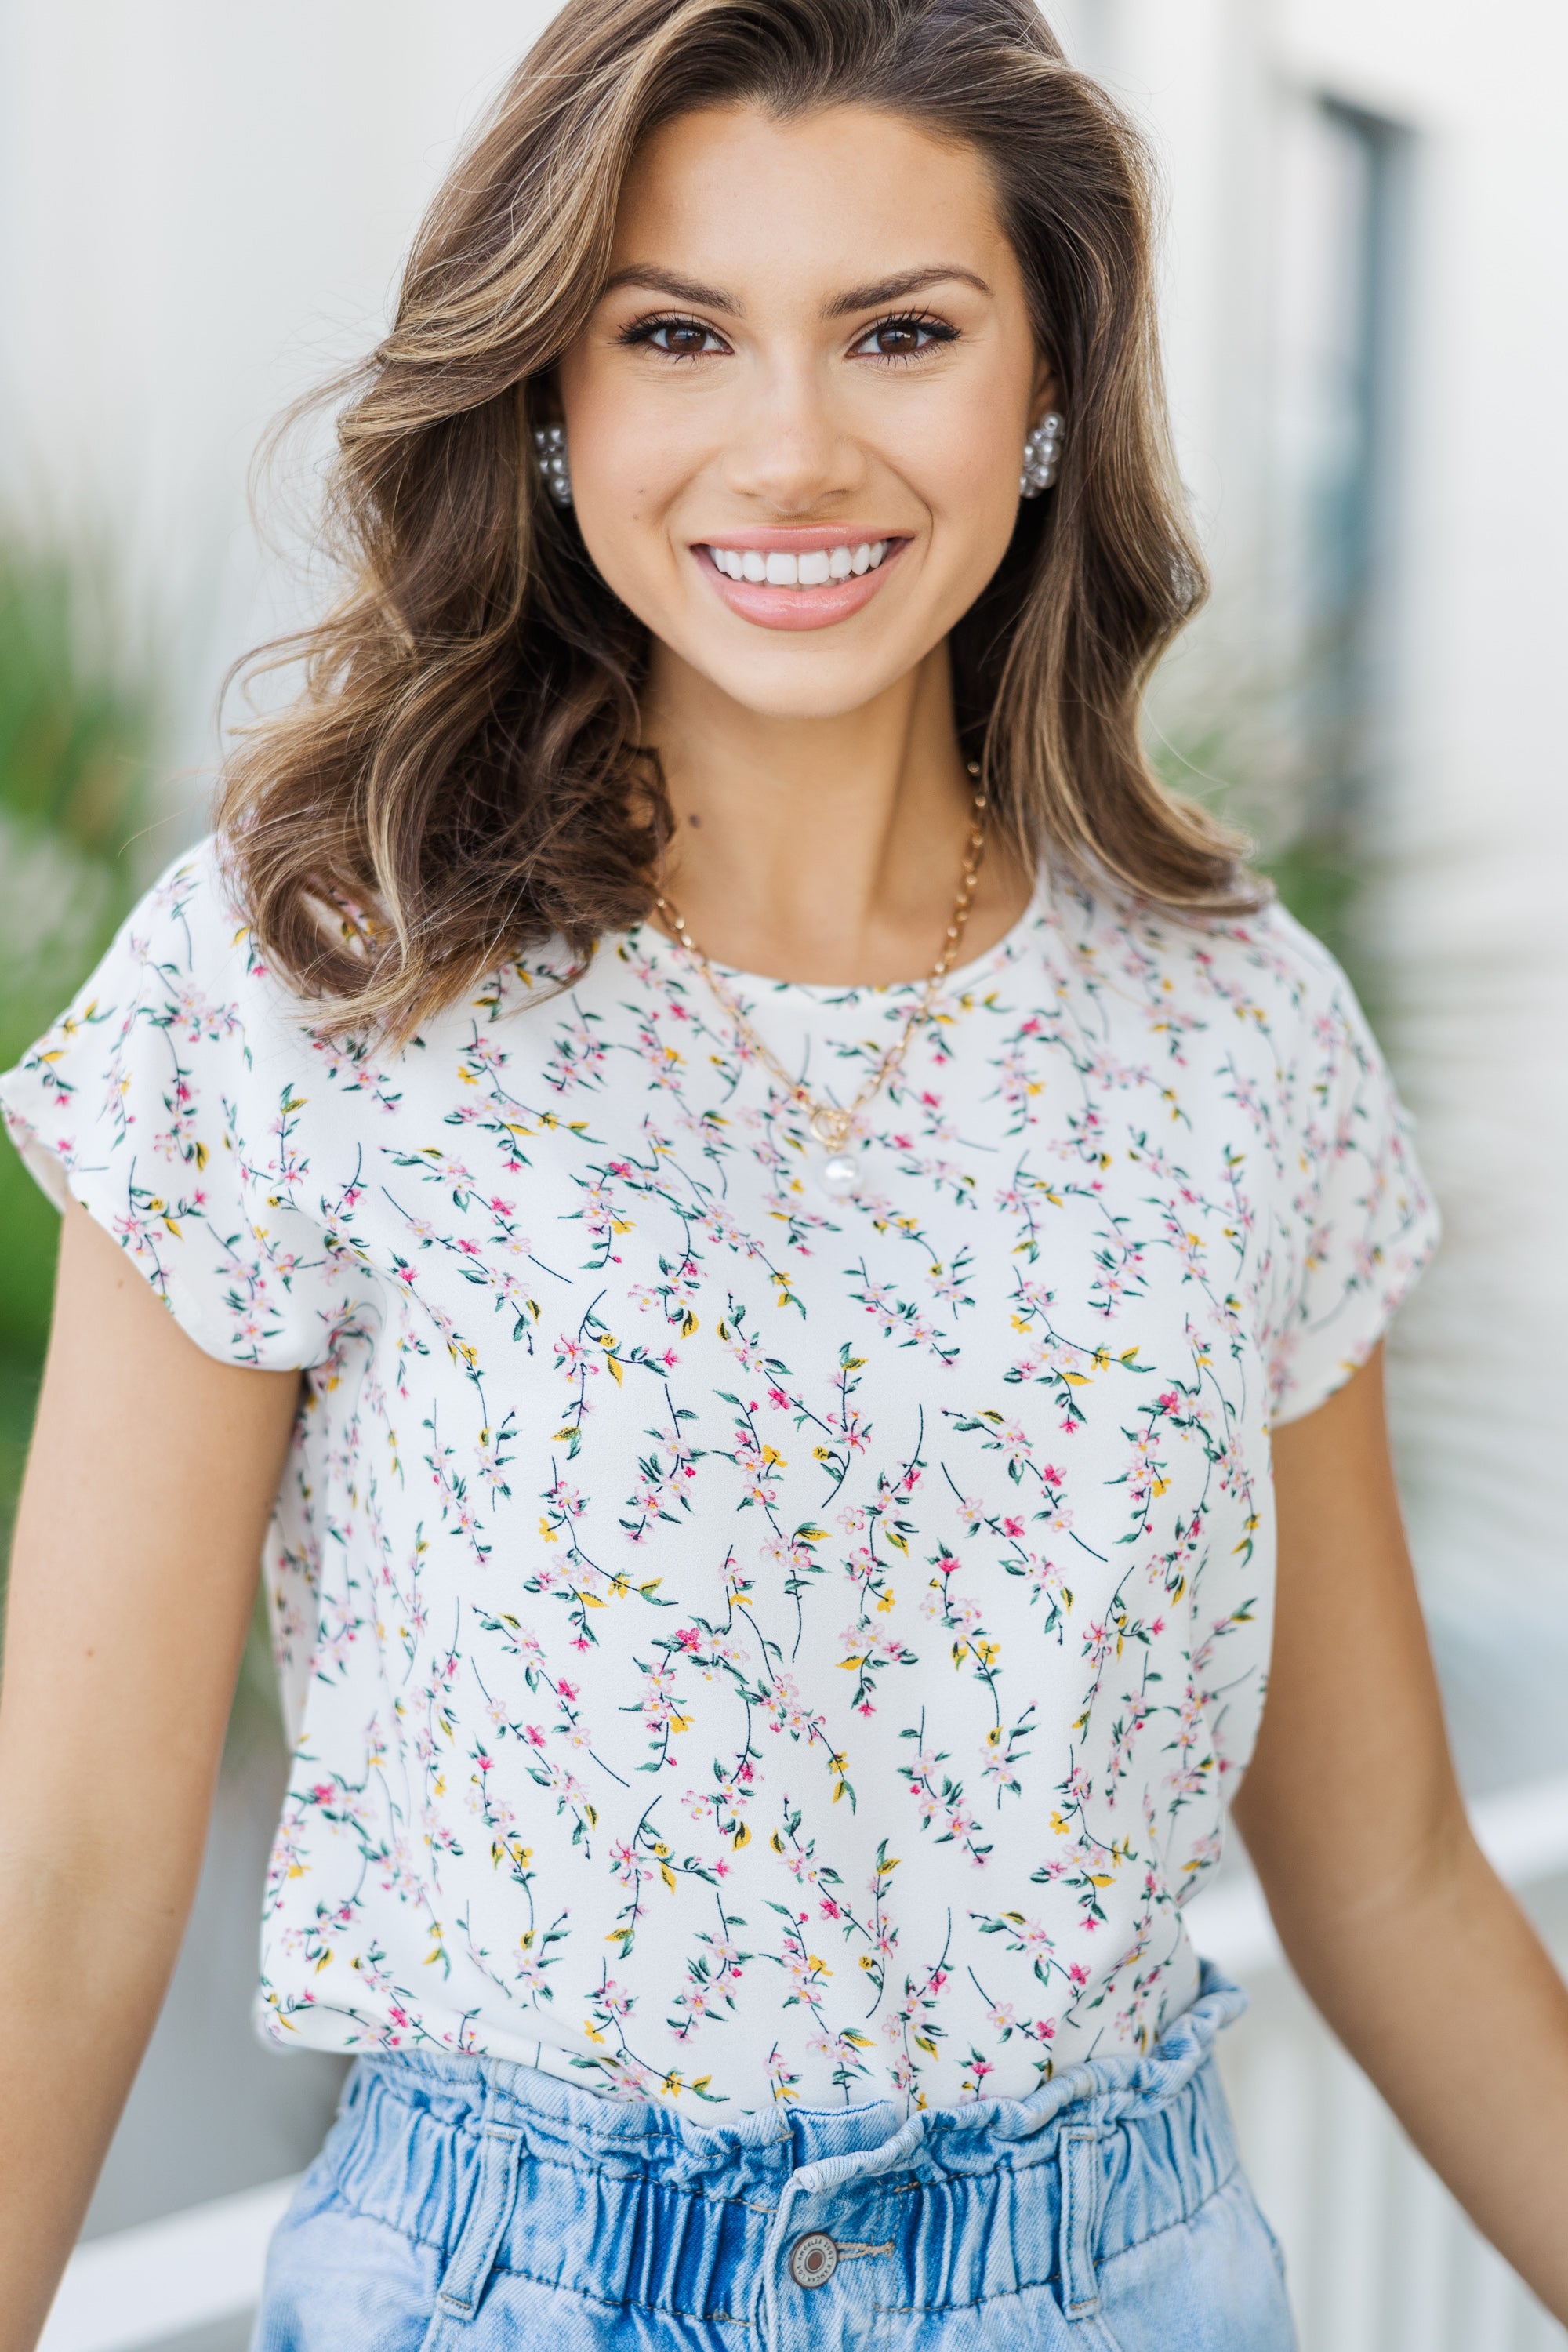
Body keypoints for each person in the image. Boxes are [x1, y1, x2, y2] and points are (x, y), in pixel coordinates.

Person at [4, 0, 1566, 2343]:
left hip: (1130, 2286)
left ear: (1050, 385)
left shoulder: (1234, 1032)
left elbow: (1397, 1878)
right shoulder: (315, 971)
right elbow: (67, 1878)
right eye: (678, 335)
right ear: (553, 393)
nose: (794, 446)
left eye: (902, 334)